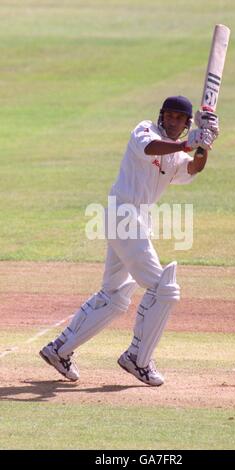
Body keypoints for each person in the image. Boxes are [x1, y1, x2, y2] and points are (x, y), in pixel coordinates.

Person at [39, 96, 219, 386]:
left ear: (187, 124)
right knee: (165, 289)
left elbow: (194, 168)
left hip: (133, 220)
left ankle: (58, 350)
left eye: (179, 118)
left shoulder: (176, 154)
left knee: (113, 295)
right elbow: (151, 148)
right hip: (123, 215)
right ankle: (138, 359)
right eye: (168, 115)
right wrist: (189, 143)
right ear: (161, 116)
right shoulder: (145, 131)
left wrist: (206, 145)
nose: (172, 121)